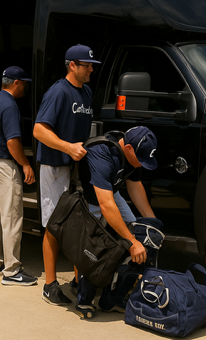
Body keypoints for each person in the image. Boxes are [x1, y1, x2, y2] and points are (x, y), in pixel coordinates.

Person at [33, 44, 100, 305]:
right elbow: (39, 130)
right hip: (54, 167)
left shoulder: (87, 93)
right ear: (72, 65)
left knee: (78, 225)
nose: (91, 69)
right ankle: (49, 285)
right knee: (54, 225)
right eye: (87, 65)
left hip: (76, 169)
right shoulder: (58, 92)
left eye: (91, 65)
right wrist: (67, 147)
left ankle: (77, 280)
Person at [74, 126, 157, 318]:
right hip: (89, 198)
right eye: (141, 160)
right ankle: (84, 298)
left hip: (112, 194)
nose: (142, 165)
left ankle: (113, 297)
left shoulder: (133, 155)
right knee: (95, 246)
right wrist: (131, 242)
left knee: (141, 233)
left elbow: (135, 187)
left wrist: (152, 225)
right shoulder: (103, 154)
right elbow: (105, 205)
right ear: (128, 148)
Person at [0, 66, 37, 286]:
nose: (25, 86)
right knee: (11, 217)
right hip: (4, 165)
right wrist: (25, 164)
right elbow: (12, 142)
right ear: (15, 83)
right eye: (23, 83)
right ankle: (12, 271)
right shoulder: (10, 105)